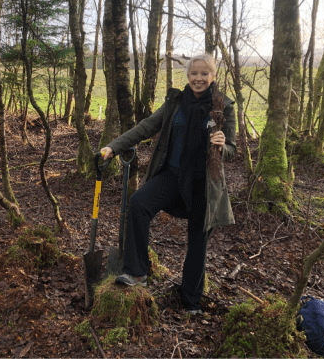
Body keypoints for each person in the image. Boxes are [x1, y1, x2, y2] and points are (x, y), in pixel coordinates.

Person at [100, 54, 236, 314]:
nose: (198, 78)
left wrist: (222, 145)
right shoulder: (175, 102)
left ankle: (191, 301)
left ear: (213, 76)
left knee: (198, 242)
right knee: (139, 203)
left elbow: (232, 149)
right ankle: (137, 272)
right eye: (194, 73)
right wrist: (113, 147)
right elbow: (146, 126)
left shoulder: (223, 107)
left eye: (204, 74)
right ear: (188, 76)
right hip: (172, 175)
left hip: (204, 184)